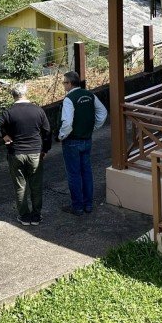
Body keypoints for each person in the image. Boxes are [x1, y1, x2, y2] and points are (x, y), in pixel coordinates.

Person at [0, 83, 51, 226]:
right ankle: (36, 215)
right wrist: (45, 149)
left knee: (20, 186)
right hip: (35, 152)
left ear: (13, 95)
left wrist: (3, 136)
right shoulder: (38, 111)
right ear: (26, 93)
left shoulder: (9, 112)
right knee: (36, 185)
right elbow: (47, 132)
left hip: (16, 152)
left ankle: (24, 215)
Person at [58, 71, 107, 216]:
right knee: (86, 172)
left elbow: (67, 122)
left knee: (74, 174)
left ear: (69, 83)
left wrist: (61, 136)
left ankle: (77, 206)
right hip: (87, 139)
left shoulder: (69, 99)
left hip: (72, 141)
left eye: (64, 83)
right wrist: (93, 127)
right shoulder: (90, 95)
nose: (63, 85)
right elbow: (102, 112)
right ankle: (88, 204)